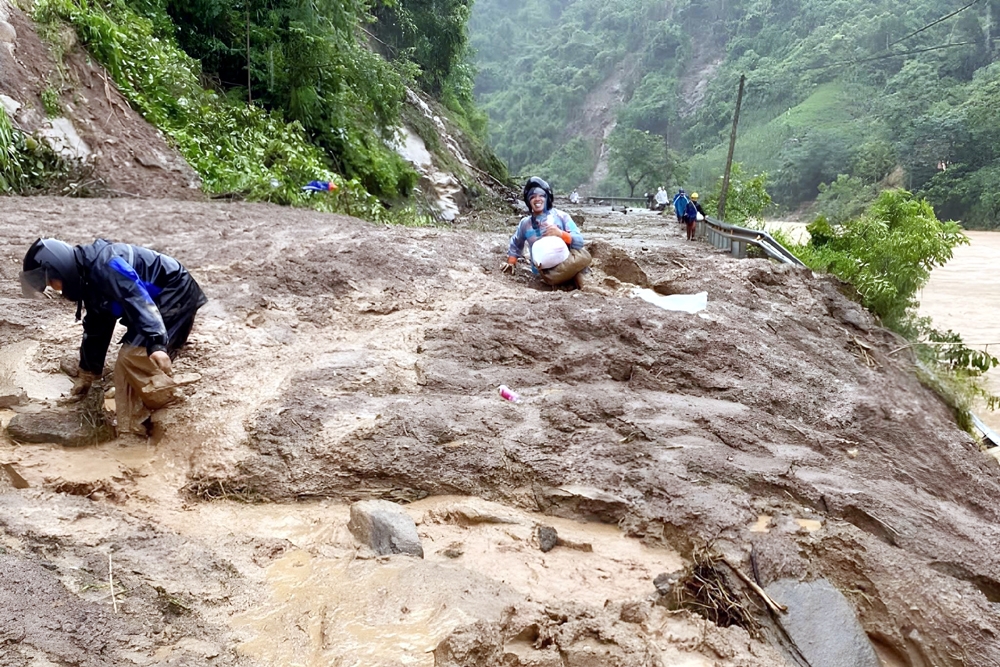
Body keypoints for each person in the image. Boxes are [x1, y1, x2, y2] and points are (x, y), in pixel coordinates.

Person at [20, 238, 207, 436]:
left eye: (51, 281)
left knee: (132, 356)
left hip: (175, 293)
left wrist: (157, 343)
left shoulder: (107, 264)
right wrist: (87, 373)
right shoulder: (89, 276)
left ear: (60, 268)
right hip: (154, 302)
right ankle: (132, 427)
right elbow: (96, 328)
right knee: (124, 366)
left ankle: (165, 400)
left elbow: (136, 297)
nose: (55, 288)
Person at [503, 177, 591, 289]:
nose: (537, 199)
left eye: (541, 195)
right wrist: (511, 262)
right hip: (542, 274)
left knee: (580, 269)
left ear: (547, 197)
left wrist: (561, 234)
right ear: (528, 201)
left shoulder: (562, 217)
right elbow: (516, 243)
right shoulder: (525, 224)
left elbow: (579, 242)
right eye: (532, 197)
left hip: (567, 266)